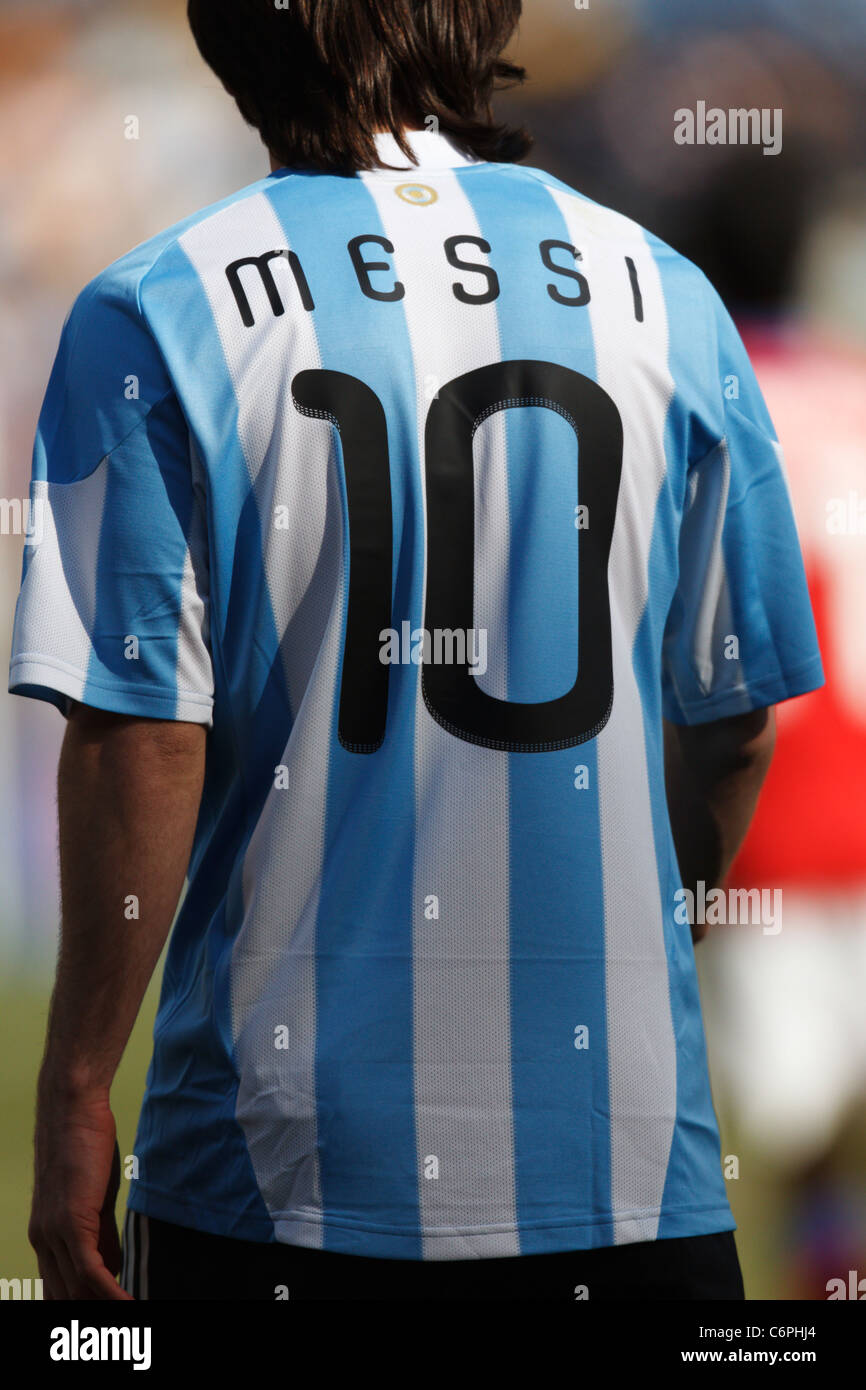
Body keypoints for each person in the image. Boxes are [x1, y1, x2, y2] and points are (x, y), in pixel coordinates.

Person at [10, 0, 823, 1301]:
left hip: (279, 1172)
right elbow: (729, 717)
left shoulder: (156, 306)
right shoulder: (661, 289)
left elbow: (143, 731)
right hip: (622, 1168)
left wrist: (72, 1086)